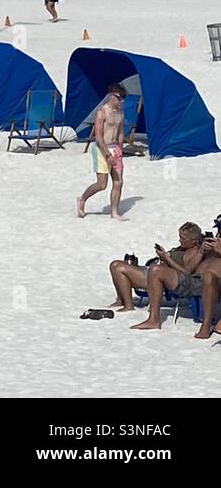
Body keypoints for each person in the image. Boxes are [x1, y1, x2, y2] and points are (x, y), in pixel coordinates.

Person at [106, 223, 207, 330]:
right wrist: (163, 257)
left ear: (194, 241)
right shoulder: (183, 248)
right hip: (157, 270)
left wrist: (167, 258)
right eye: (180, 237)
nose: (180, 240)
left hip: (161, 277)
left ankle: (128, 305)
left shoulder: (193, 252)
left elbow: (186, 272)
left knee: (118, 268)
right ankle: (122, 300)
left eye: (183, 238)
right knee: (115, 264)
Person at [77, 82, 127, 220]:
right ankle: (82, 199)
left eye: (123, 98)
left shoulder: (120, 113)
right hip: (102, 148)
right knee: (102, 184)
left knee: (118, 182)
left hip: (115, 148)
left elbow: (121, 132)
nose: (121, 100)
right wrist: (107, 154)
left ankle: (114, 212)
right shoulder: (102, 112)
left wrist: (120, 150)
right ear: (112, 96)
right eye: (119, 97)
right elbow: (98, 136)